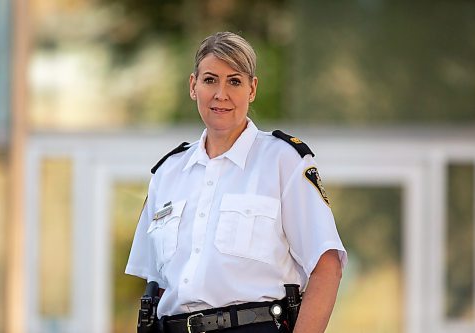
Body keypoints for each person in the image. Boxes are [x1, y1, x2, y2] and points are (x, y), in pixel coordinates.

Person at [126, 31, 347, 333]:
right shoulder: (168, 173)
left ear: (252, 89)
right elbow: (157, 285)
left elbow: (327, 267)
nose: (221, 94)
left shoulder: (283, 161)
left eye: (234, 81)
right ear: (193, 86)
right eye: (209, 80)